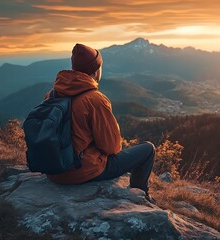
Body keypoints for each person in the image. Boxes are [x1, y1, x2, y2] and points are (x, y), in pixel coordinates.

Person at [45, 43, 156, 203]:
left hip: (53, 171)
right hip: (82, 172)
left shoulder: (52, 94)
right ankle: (140, 197)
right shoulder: (95, 99)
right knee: (148, 149)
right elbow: (112, 147)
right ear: (96, 71)